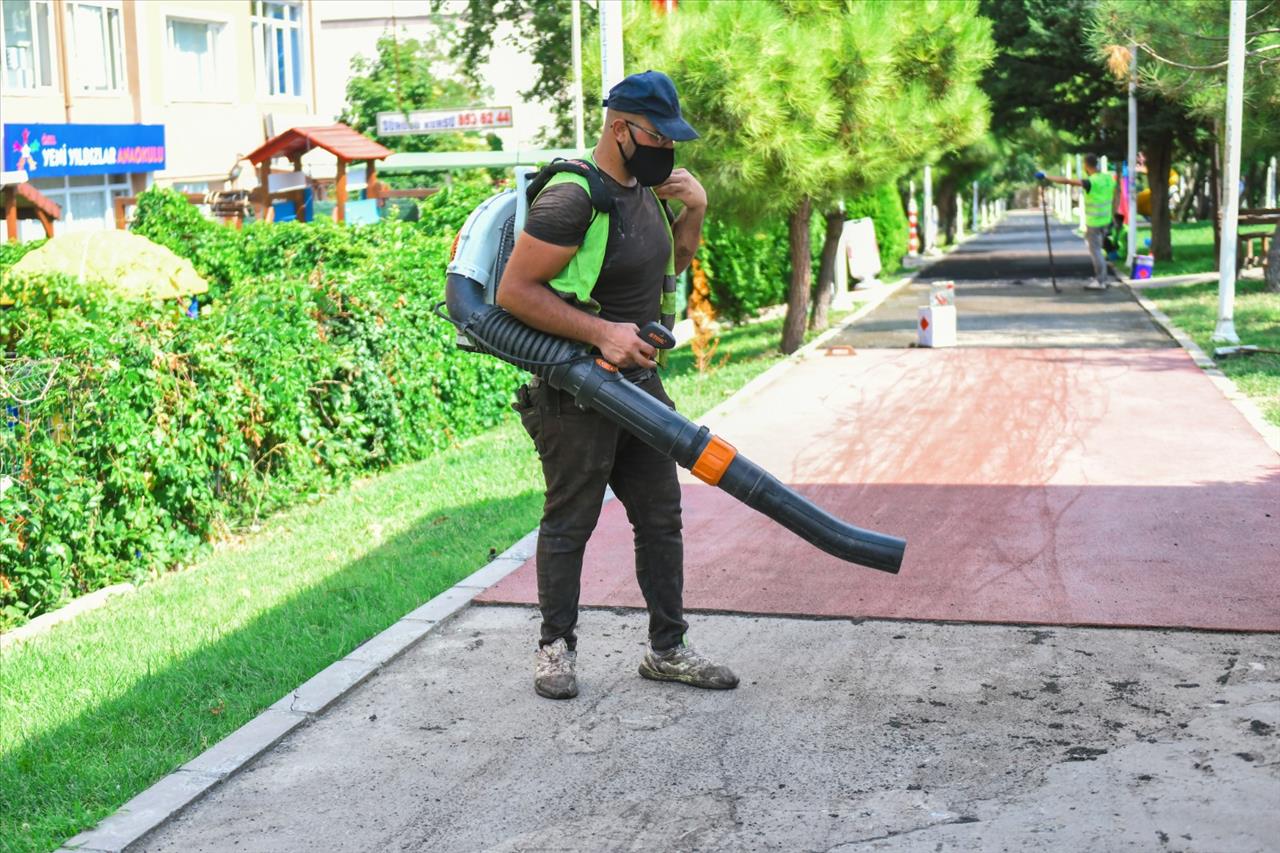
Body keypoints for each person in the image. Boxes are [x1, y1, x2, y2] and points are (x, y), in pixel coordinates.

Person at [496, 70, 739, 700]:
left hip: (642, 387)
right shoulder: (574, 197)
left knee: (661, 518)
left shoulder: (648, 192)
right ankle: (555, 650)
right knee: (569, 521)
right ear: (619, 128)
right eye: (658, 136)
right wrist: (602, 334)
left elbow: (669, 266)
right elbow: (514, 292)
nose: (668, 150)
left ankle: (668, 650)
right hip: (577, 390)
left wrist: (696, 208)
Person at [1037, 154, 1119, 290]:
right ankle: (1102, 279)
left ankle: (1101, 281)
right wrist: (1114, 214)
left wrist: (1047, 177)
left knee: (1096, 251)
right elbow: (1117, 193)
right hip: (1106, 220)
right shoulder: (1108, 178)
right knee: (1099, 249)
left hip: (1094, 222)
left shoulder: (1091, 182)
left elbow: (1068, 181)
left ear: (1086, 166)